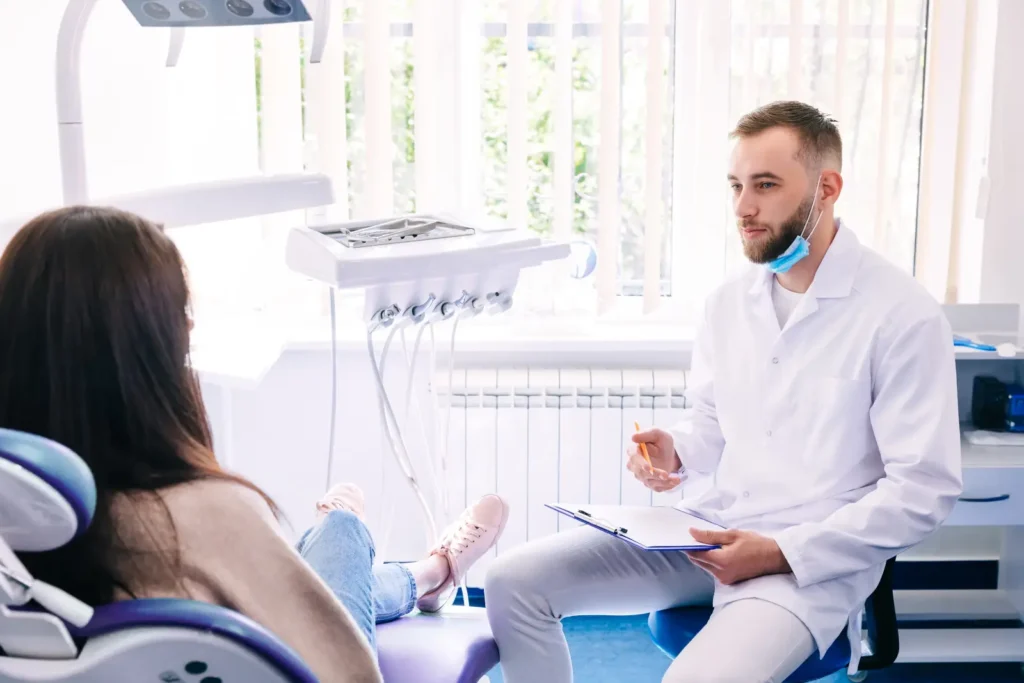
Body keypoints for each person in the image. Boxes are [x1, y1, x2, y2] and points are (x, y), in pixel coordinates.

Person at [485, 100, 963, 683]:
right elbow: (714, 423)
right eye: (736, 185)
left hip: (803, 565)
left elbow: (923, 492)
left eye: (765, 185)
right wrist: (678, 451)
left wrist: (780, 552)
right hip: (705, 533)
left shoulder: (901, 314)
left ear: (827, 188)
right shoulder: (728, 304)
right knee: (513, 582)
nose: (743, 207)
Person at [0, 205, 509, 683]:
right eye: (180, 311)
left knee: (320, 555)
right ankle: (408, 558)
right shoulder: (206, 516)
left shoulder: (17, 521)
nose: (191, 323)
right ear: (153, 344)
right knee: (341, 540)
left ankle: (422, 569)